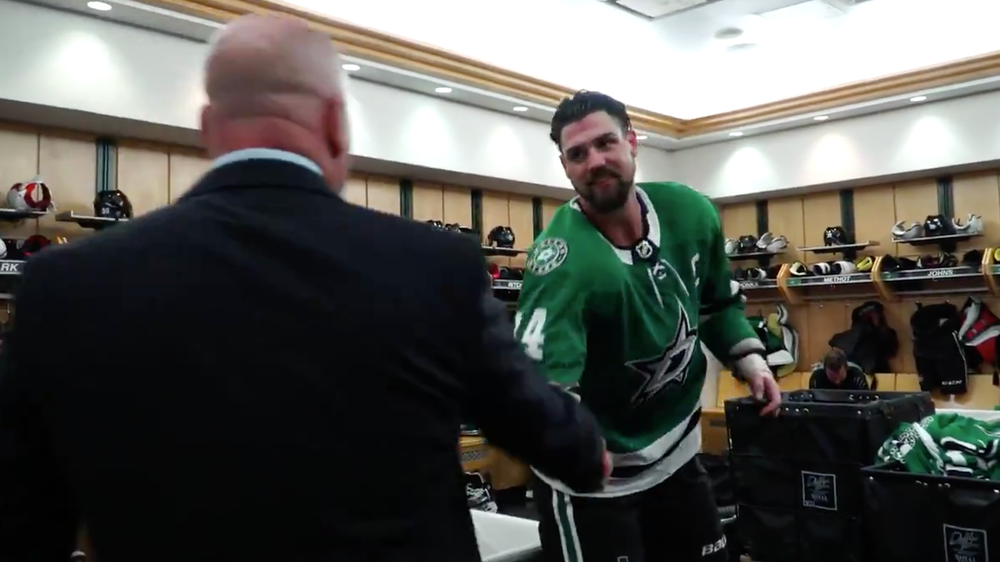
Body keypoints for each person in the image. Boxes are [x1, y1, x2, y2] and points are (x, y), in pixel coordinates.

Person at [0, 16, 610, 562]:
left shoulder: (65, 286)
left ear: (209, 127)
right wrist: (588, 445)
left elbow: (25, 521)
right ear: (335, 124)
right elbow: (565, 448)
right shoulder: (433, 266)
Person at [515, 90, 783, 562]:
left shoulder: (690, 212)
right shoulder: (562, 263)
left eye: (606, 144)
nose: (595, 161)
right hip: (596, 483)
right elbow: (541, 391)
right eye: (578, 154)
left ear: (632, 142)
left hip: (676, 453)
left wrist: (752, 360)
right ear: (564, 166)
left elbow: (716, 303)